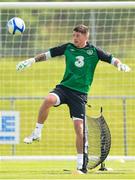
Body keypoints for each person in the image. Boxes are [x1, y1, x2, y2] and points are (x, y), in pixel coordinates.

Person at [16, 24, 130, 174]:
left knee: (79, 129)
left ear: (85, 37)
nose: (75, 38)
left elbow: (111, 58)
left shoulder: (93, 51)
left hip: (79, 94)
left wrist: (119, 64)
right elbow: (48, 54)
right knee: (49, 99)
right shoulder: (67, 47)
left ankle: (80, 165)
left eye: (78, 36)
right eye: (74, 35)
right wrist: (31, 61)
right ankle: (37, 132)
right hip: (64, 88)